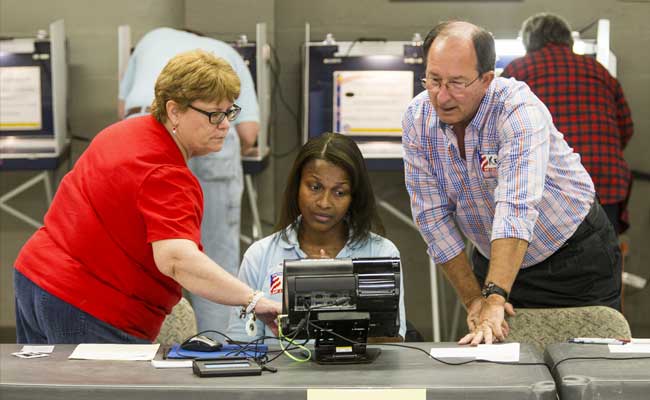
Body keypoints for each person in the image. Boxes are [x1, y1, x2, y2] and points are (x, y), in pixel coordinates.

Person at [14, 50, 280, 344]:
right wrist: (254, 300)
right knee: (97, 392)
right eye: (213, 114)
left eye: (229, 112)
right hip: (87, 303)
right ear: (174, 110)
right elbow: (178, 260)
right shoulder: (166, 174)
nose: (225, 125)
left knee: (47, 388)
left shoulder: (125, 131)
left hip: (34, 279)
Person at [402, 21, 621, 346]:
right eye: (434, 80)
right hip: (495, 259)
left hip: (574, 257)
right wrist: (475, 299)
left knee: (588, 367)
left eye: (457, 83)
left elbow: (515, 208)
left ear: (487, 79)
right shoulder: (417, 119)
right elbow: (432, 218)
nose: (441, 96)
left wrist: (493, 296)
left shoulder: (518, 110)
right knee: (501, 364)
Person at [119, 27, 260, 335]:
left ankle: (149, 350)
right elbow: (249, 133)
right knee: (214, 255)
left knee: (139, 253)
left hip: (144, 126)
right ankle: (218, 351)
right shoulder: (229, 55)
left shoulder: (149, 38)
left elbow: (122, 108)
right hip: (205, 146)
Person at [226, 132, 407, 342]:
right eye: (315, 187)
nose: (324, 202)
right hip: (278, 374)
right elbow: (240, 343)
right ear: (297, 186)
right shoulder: (260, 256)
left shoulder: (381, 253)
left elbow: (392, 344)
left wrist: (338, 305)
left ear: (354, 197)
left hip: (358, 373)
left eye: (339, 192)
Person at [501, 13, 634, 234]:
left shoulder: (517, 71)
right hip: (605, 181)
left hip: (550, 187)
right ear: (568, 40)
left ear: (529, 43)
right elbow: (626, 128)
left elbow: (498, 130)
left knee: (548, 264)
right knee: (604, 260)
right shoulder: (599, 71)